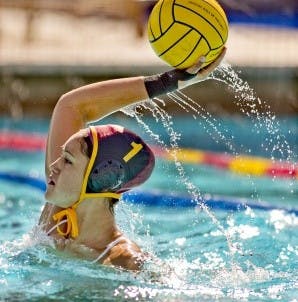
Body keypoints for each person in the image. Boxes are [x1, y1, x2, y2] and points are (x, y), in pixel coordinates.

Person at [39, 48, 226, 271]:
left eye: (67, 160)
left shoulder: (125, 262)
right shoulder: (58, 214)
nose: (53, 165)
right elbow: (70, 105)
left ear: (100, 178)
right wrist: (169, 81)